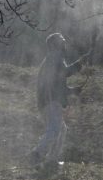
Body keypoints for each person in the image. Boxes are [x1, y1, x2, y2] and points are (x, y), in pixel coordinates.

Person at [31, 33, 83, 168]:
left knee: (61, 129)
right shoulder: (55, 57)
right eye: (61, 41)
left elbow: (58, 84)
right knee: (54, 128)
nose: (64, 43)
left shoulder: (54, 59)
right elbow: (63, 73)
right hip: (50, 100)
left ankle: (51, 160)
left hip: (48, 100)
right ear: (54, 44)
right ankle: (37, 153)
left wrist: (73, 90)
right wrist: (77, 66)